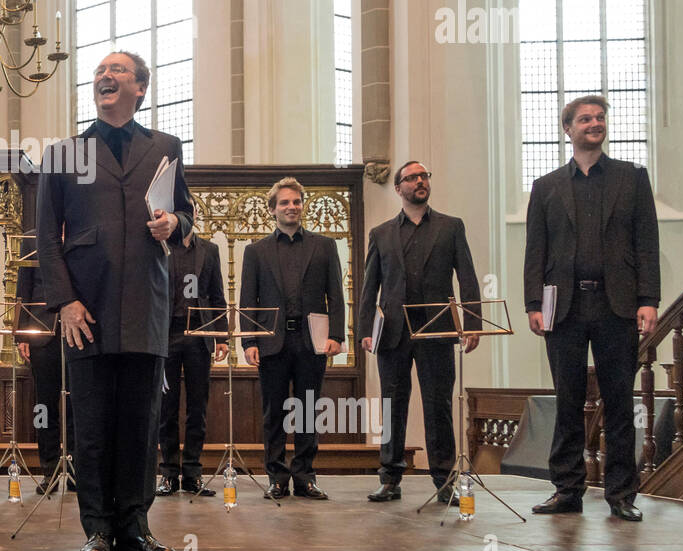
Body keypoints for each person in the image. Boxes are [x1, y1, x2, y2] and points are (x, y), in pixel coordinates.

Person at [36, 49, 192, 551]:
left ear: (140, 87)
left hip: (146, 305)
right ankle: (98, 529)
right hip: (88, 311)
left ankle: (136, 526)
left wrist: (175, 224)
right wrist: (65, 302)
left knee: (141, 423)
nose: (105, 76)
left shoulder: (166, 147)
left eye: (117, 70)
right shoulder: (63, 153)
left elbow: (186, 214)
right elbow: (46, 237)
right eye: (100, 71)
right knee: (94, 426)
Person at [524, 96, 659, 522]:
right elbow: (536, 250)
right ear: (568, 129)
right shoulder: (546, 186)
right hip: (562, 306)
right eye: (585, 119)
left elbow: (646, 243)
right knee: (568, 400)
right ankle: (567, 490)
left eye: (600, 118)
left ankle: (621, 494)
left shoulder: (632, 177)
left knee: (620, 401)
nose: (595, 124)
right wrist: (533, 303)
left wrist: (649, 299)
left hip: (615, 304)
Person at [358, 163, 480, 504]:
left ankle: (444, 481)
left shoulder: (451, 227)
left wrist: (472, 322)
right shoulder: (381, 233)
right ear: (399, 188)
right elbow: (370, 287)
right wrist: (366, 329)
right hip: (392, 333)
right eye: (411, 178)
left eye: (424, 176)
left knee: (438, 405)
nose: (420, 181)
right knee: (392, 405)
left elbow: (467, 277)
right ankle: (390, 479)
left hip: (437, 330)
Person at [239, 177, 344, 501]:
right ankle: (277, 477)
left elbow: (336, 296)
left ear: (303, 205)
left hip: (312, 340)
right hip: (272, 341)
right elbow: (248, 300)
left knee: (308, 409)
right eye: (284, 203)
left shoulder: (324, 246)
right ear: (273, 209)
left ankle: (305, 477)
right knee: (274, 412)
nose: (291, 207)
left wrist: (337, 335)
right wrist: (249, 342)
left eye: (296, 201)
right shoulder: (256, 251)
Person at [157, 198, 228, 497]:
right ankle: (169, 474)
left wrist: (222, 336)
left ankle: (193, 474)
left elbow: (216, 295)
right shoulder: (160, 247)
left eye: (191, 210)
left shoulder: (209, 250)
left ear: (194, 215)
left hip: (200, 335)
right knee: (166, 409)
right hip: (165, 335)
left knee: (197, 408)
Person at [14, 232, 75, 495]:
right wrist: (21, 334)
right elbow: (23, 290)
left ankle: (75, 472)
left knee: (77, 405)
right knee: (43, 407)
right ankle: (49, 470)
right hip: (41, 331)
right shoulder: (31, 240)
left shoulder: (82, 231)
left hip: (78, 331)